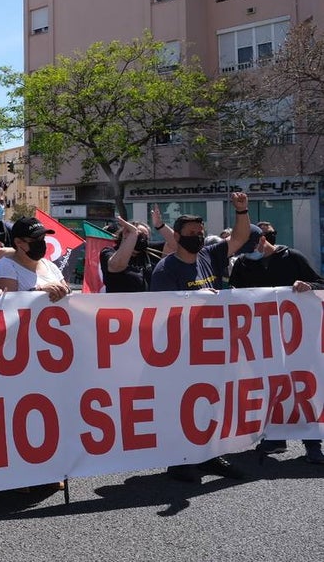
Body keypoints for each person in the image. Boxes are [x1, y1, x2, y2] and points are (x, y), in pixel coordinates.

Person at [150, 192, 254, 482]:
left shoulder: (210, 255)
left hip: (212, 345)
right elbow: (161, 311)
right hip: (182, 349)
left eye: (200, 232)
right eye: (191, 233)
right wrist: (194, 299)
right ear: (178, 237)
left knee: (212, 401)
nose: (197, 237)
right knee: (184, 406)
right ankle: (180, 461)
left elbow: (240, 237)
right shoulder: (165, 269)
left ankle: (209, 455)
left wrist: (242, 210)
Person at [228, 223, 324, 465]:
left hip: (297, 339)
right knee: (269, 388)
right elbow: (234, 295)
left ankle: (312, 444)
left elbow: (320, 284)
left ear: (262, 241)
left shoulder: (292, 257)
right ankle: (274, 437)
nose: (247, 253)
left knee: (302, 389)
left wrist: (309, 286)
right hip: (262, 340)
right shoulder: (243, 264)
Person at [0, 217, 70, 300]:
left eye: (43, 238)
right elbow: (8, 304)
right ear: (18, 242)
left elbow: (67, 292)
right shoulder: (5, 267)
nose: (41, 243)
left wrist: (65, 291)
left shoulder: (50, 266)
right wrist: (39, 290)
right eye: (35, 240)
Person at [100, 206, 175, 293]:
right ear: (125, 233)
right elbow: (117, 266)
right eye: (139, 235)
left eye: (145, 236)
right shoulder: (109, 252)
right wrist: (132, 235)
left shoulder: (149, 252)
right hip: (121, 300)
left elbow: (175, 245)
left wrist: (160, 225)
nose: (142, 239)